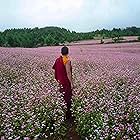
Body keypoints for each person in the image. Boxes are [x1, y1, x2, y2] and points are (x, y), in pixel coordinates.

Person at [52, 46, 74, 120]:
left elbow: (55, 70)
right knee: (67, 98)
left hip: (60, 81)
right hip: (66, 82)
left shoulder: (58, 60)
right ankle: (68, 115)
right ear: (67, 52)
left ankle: (61, 113)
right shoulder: (67, 60)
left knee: (62, 96)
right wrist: (71, 83)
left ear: (61, 52)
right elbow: (68, 72)